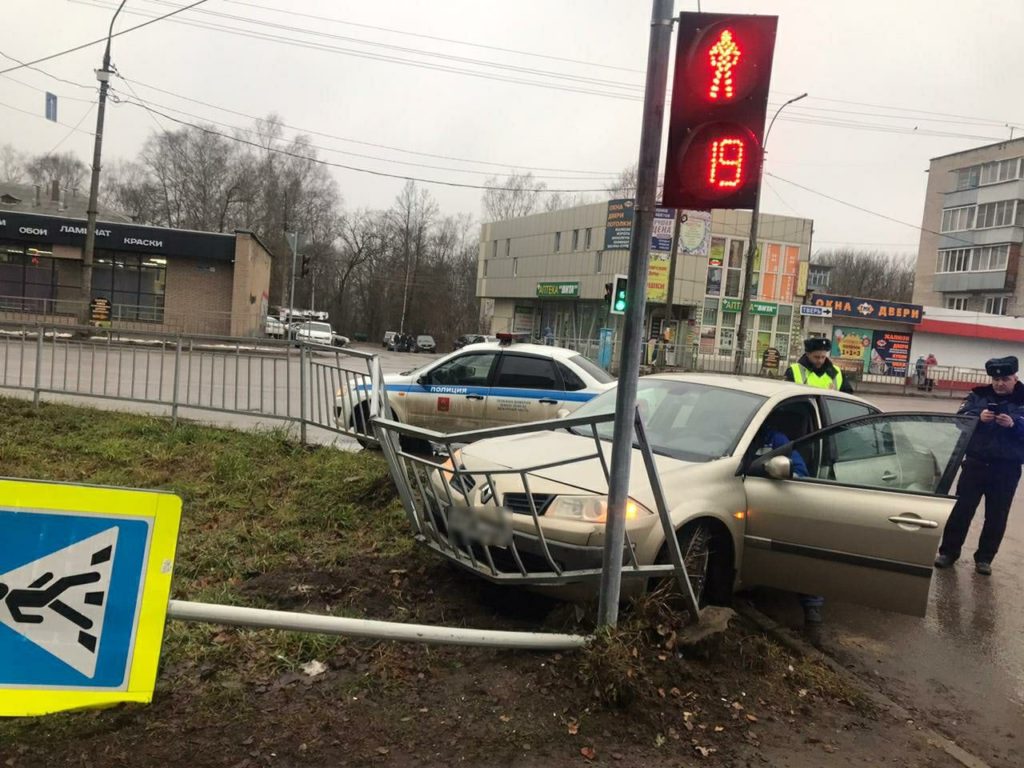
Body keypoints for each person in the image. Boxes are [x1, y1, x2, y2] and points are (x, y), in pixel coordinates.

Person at [935, 356, 1024, 575]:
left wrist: (1015, 424)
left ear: (1015, 378)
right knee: (961, 511)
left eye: (1005, 378)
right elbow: (960, 419)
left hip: (1006, 469)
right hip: (975, 464)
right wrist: (977, 417)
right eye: (995, 379)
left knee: (996, 515)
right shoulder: (978, 395)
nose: (999, 383)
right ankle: (948, 552)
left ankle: (984, 559)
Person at [785, 337, 854, 393]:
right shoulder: (793, 371)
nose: (820, 361)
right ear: (808, 354)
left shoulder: (836, 372)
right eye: (816, 357)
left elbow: (847, 398)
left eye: (823, 357)